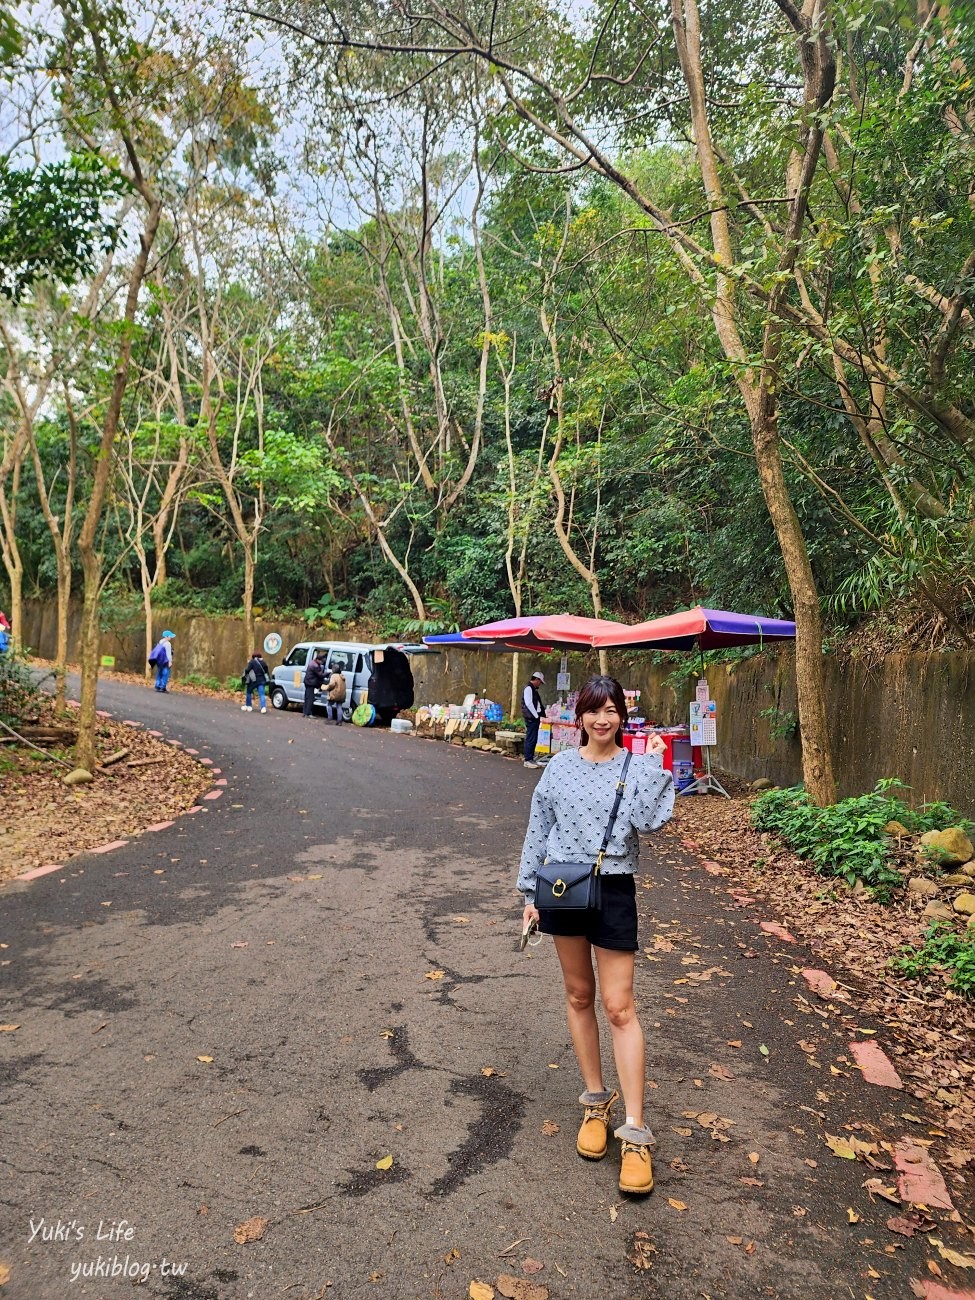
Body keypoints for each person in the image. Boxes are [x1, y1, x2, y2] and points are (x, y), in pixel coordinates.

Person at [518, 674, 674, 1196]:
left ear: (621, 717)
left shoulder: (636, 766)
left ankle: (634, 1131)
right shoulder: (559, 767)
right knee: (579, 995)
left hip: (613, 890)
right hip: (561, 886)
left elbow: (653, 823)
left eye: (611, 710)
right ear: (578, 716)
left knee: (619, 1005)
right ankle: (593, 1101)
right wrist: (527, 896)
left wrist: (654, 765)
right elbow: (538, 829)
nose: (602, 719)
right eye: (593, 709)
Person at [521, 669, 546, 769]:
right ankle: (528, 759)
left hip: (534, 716)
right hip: (532, 717)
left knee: (534, 737)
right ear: (536, 679)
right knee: (531, 738)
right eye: (540, 682)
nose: (540, 684)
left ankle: (531, 758)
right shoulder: (528, 688)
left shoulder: (533, 689)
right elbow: (528, 703)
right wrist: (536, 715)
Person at [303, 650, 326, 718]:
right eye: (321, 661)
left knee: (307, 698)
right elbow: (321, 675)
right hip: (310, 683)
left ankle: (305, 712)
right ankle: (308, 714)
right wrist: (327, 674)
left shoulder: (312, 662)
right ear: (318, 660)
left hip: (308, 682)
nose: (322, 662)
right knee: (310, 698)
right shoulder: (315, 666)